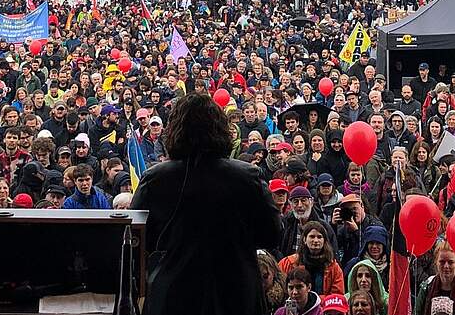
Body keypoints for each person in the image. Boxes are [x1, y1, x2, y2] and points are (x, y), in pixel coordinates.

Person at [131, 92, 280, 315]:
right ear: (220, 128)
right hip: (236, 293)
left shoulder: (156, 179)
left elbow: (138, 240)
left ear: (175, 130)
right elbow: (272, 234)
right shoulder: (246, 176)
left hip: (175, 295)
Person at [277, 221, 346, 295]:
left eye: (319, 237)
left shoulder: (333, 267)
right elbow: (280, 290)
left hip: (324, 306)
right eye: (312, 236)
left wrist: (316, 301)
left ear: (324, 241)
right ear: (304, 239)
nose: (316, 240)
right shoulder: (287, 263)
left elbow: (337, 296)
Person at [415, 241, 455, 315]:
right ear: (436, 262)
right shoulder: (427, 286)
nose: (446, 266)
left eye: (450, 262)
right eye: (442, 262)